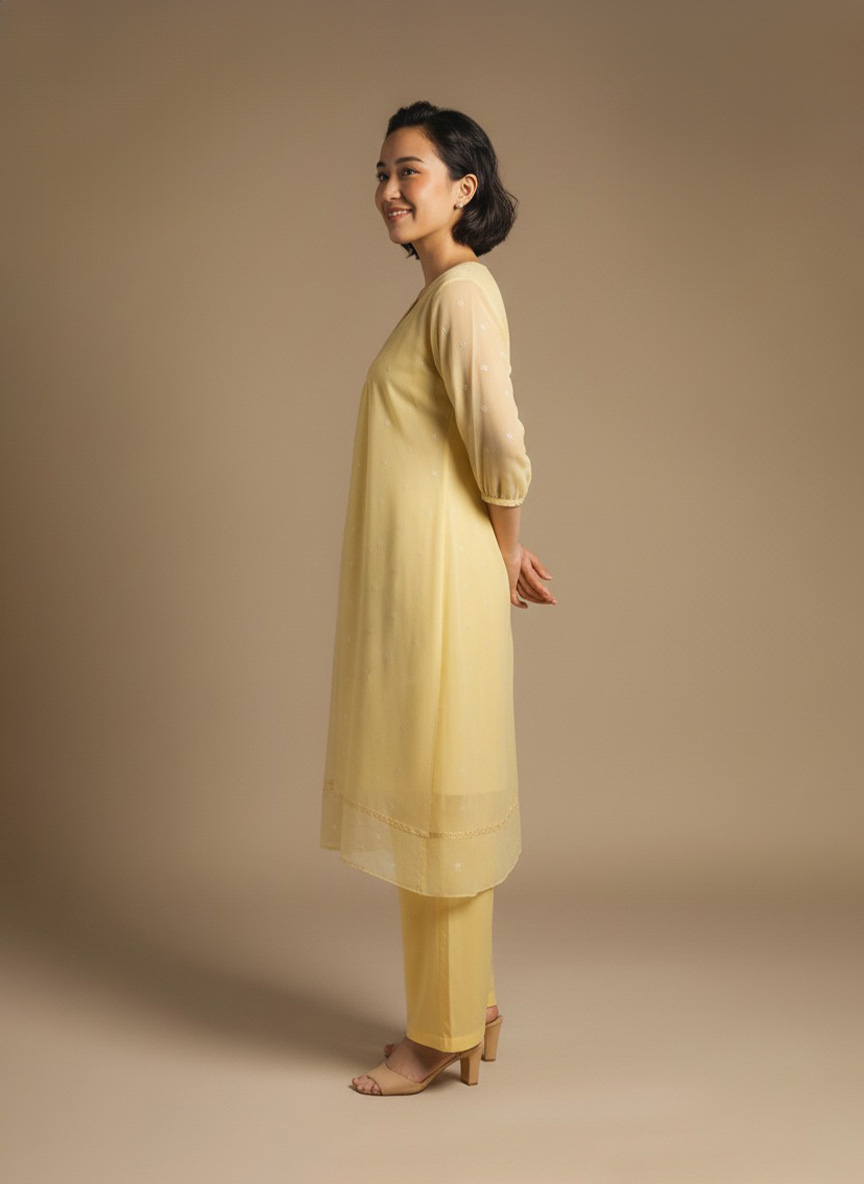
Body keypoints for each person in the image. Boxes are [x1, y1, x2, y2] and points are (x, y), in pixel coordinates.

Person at [319, 100, 557, 1096]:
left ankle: (442, 1030)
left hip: (441, 586)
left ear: (464, 189)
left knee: (439, 797)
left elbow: (500, 445)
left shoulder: (461, 294)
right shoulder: (439, 298)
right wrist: (502, 546)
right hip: (432, 576)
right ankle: (468, 1006)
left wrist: (501, 553)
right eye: (381, 172)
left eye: (409, 171)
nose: (388, 190)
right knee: (435, 796)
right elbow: (464, 445)